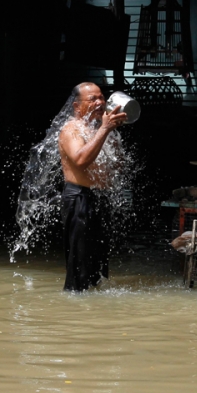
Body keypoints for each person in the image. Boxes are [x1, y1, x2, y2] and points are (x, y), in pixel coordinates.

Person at [58, 82, 128, 292]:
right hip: (79, 198)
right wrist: (105, 129)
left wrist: (109, 130)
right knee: (79, 261)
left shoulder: (98, 128)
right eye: (92, 99)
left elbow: (118, 164)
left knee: (99, 262)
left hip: (99, 197)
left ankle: (96, 308)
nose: (99, 103)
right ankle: (75, 307)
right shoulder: (71, 129)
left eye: (101, 98)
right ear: (77, 107)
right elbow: (80, 161)